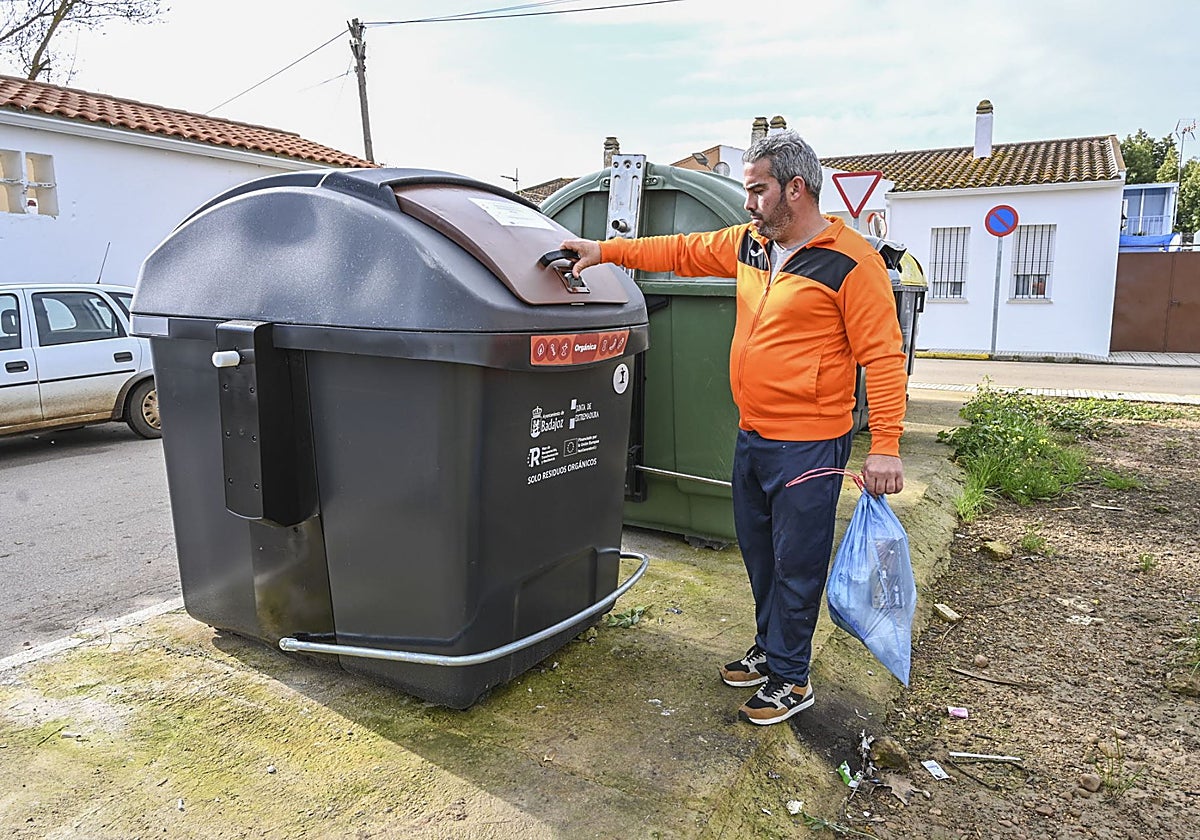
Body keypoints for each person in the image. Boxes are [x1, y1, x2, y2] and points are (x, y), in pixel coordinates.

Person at [561, 130, 907, 725]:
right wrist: (603, 252)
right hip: (753, 434)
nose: (748, 202)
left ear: (794, 189)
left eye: (757, 190)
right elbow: (681, 250)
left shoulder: (853, 262)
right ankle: (773, 648)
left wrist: (887, 446)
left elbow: (882, 354)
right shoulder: (750, 244)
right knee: (759, 553)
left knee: (797, 560)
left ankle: (792, 677)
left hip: (809, 442)